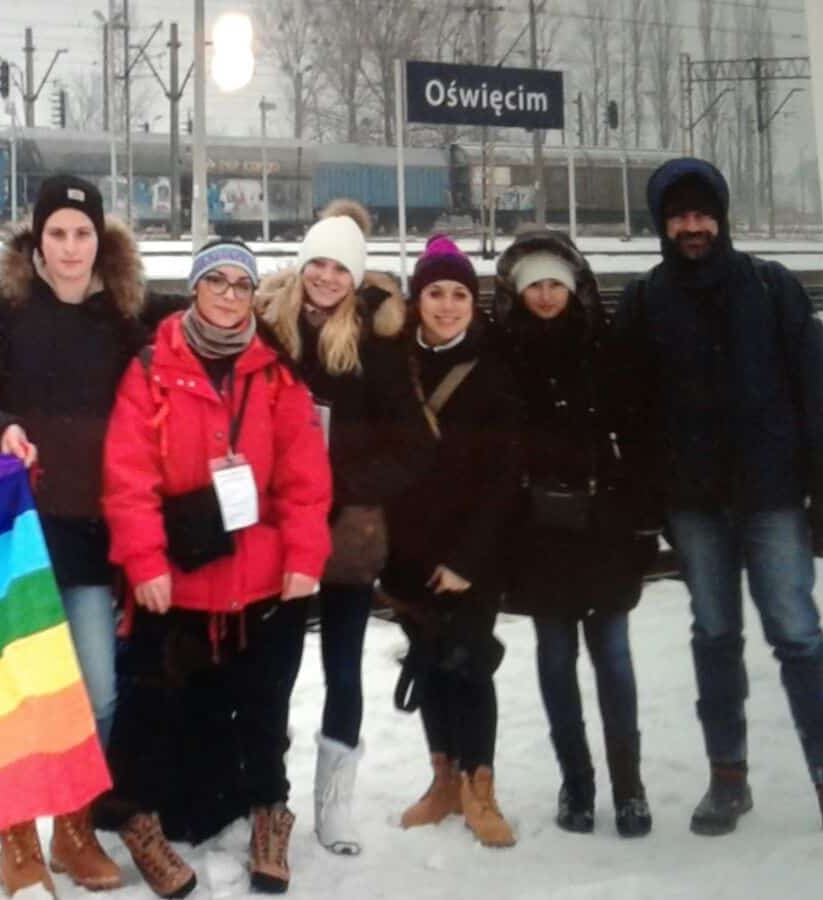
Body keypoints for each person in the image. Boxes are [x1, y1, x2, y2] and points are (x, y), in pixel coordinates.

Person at [613, 157, 823, 850]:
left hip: (774, 498)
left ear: (721, 219)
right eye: (678, 216)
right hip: (695, 509)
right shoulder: (643, 302)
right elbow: (630, 417)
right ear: (662, 224)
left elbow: (819, 394)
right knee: (715, 638)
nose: (691, 226)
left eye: (702, 214)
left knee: (799, 636)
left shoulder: (772, 287)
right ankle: (729, 778)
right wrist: (644, 507)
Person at [0, 175, 146, 897]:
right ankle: (17, 837)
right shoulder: (0, 313)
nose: (71, 247)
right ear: (37, 240)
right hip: (16, 538)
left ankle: (73, 825)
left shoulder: (122, 319)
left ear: (101, 241)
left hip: (91, 536)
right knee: (18, 692)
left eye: (83, 234)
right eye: (58, 233)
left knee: (99, 692)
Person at [101, 238, 331, 897]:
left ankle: (269, 810)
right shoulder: (151, 368)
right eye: (216, 281)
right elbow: (127, 479)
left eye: (240, 284)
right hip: (178, 576)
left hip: (258, 578)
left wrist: (304, 557)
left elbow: (305, 481)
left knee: (265, 706)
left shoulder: (276, 373)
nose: (229, 295)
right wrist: (144, 562)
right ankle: (138, 819)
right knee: (156, 707)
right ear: (195, 288)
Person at [256, 200, 434, 855]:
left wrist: (347, 486)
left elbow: (415, 445)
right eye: (317, 264)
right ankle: (266, 799)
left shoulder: (373, 347)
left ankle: (335, 804)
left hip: (345, 541)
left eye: (340, 268)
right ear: (302, 264)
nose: (326, 278)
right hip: (277, 531)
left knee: (342, 668)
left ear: (356, 277)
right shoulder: (271, 329)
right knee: (272, 671)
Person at [492, 229, 657, 838]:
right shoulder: (504, 352)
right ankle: (578, 783)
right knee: (556, 658)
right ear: (517, 289)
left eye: (554, 284)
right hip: (538, 529)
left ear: (573, 288)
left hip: (604, 520)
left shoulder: (605, 347)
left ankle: (630, 787)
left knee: (613, 654)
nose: (544, 295)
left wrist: (643, 523)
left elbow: (637, 435)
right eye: (533, 284)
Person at [382, 234, 523, 849]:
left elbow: (504, 477)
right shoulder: (396, 363)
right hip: (409, 551)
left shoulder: (493, 371)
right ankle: (443, 778)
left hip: (472, 553)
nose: (446, 305)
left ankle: (479, 787)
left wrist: (466, 559)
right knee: (429, 663)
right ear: (418, 300)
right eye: (435, 292)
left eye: (459, 294)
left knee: (468, 664)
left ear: (474, 301)